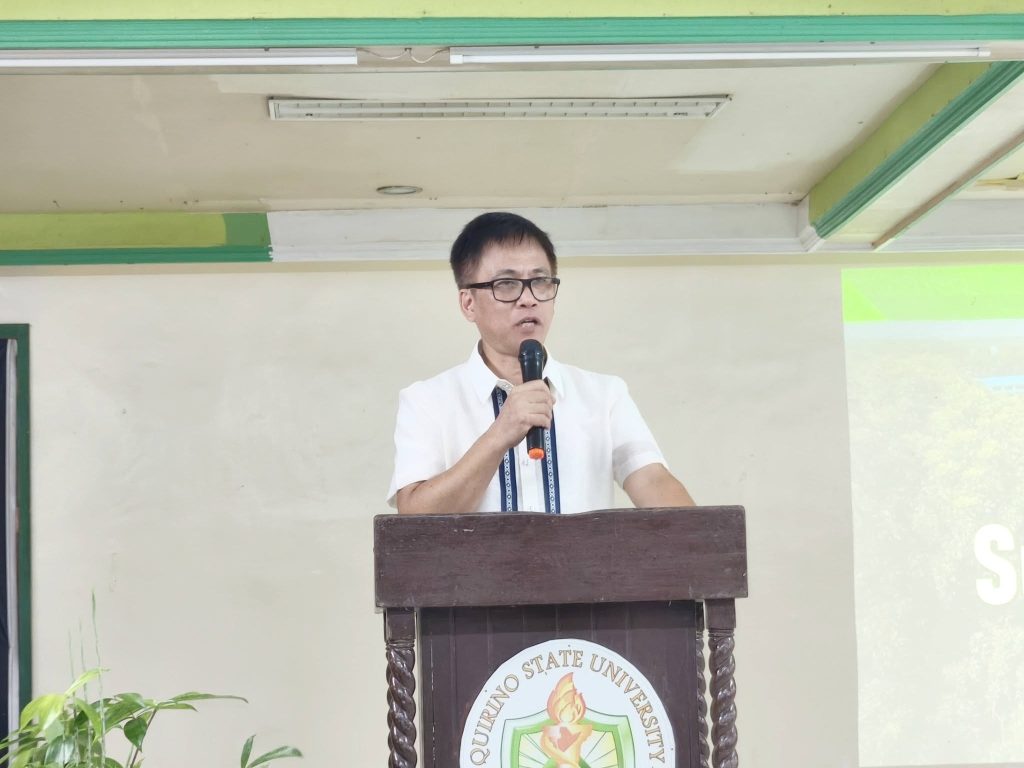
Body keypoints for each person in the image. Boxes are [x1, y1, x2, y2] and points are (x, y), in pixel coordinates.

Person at [386, 212, 694, 515]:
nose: (528, 299)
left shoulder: (604, 395)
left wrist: (703, 535)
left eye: (540, 281)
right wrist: (500, 434)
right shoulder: (427, 400)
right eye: (507, 284)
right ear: (468, 303)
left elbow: (653, 481)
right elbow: (414, 517)